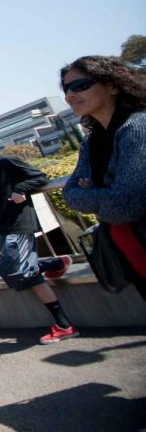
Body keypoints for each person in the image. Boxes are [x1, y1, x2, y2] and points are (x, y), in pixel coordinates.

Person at [0, 131, 78, 344]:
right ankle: (64, 324)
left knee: (11, 270)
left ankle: (54, 266)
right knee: (28, 275)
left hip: (19, 221)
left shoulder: (7, 161)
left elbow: (39, 176)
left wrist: (20, 189)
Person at [61, 56, 146, 300]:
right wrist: (106, 193)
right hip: (133, 256)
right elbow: (70, 194)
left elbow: (126, 205)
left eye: (80, 86)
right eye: (66, 89)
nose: (69, 95)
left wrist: (94, 194)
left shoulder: (137, 127)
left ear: (113, 85)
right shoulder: (91, 142)